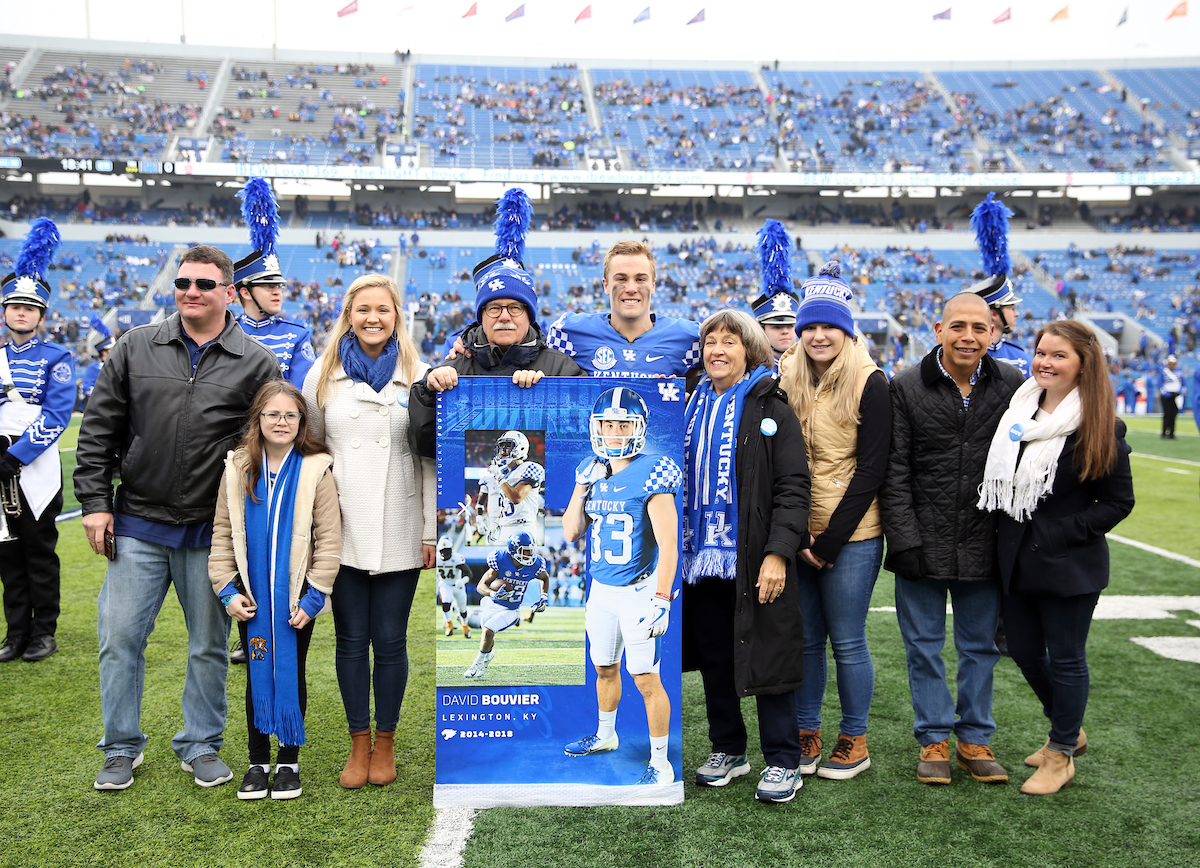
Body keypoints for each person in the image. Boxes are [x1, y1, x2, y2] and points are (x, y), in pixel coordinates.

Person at [75, 244, 281, 792]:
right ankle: (120, 746)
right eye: (183, 282)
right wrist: (96, 504)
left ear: (229, 291)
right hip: (138, 520)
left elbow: (264, 447)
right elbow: (99, 431)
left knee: (209, 645)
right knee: (120, 638)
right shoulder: (135, 347)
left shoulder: (257, 361)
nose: (191, 291)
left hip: (209, 532)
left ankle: (200, 743)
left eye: (204, 284)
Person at [978, 320, 1134, 795]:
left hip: (1067, 564)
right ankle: (1068, 727)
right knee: (1023, 652)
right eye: (1042, 352)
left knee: (1066, 660)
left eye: (1058, 355)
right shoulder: (1018, 407)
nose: (1045, 362)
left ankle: (1061, 751)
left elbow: (1117, 502)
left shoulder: (1099, 423)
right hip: (1016, 561)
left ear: (1083, 364)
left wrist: (1062, 533)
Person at [880, 291, 1024, 787]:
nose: (968, 336)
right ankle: (934, 738)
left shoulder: (1012, 384)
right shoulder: (905, 386)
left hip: (985, 541)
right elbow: (893, 470)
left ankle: (975, 739)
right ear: (938, 330)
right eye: (958, 326)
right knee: (923, 647)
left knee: (979, 647)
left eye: (979, 328)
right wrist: (904, 540)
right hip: (921, 538)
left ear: (993, 333)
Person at [302, 272, 435, 790]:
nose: (373, 318)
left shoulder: (421, 372)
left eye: (383, 309)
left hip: (401, 522)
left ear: (397, 315)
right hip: (342, 526)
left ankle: (387, 741)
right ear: (348, 316)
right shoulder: (322, 372)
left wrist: (429, 529)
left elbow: (430, 456)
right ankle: (359, 740)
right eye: (363, 310)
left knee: (392, 641)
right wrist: (313, 526)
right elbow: (309, 449)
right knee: (351, 640)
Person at [682, 310, 810, 804]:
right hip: (701, 555)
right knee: (716, 654)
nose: (718, 350)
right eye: (710, 341)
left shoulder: (769, 406)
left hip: (754, 554)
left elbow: (794, 486)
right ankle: (729, 748)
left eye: (729, 342)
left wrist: (778, 554)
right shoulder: (690, 403)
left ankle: (783, 760)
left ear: (750, 351)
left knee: (770, 652)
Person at [777, 260, 890, 780]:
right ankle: (807, 730)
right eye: (810, 327)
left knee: (847, 640)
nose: (820, 335)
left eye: (831, 326)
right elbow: (783, 460)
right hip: (800, 528)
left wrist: (827, 542)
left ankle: (854, 737)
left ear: (847, 331)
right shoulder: (785, 377)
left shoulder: (872, 381)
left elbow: (871, 470)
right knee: (804, 639)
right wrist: (799, 533)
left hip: (855, 533)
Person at [209, 381, 341, 801]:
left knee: (291, 671)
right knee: (255, 672)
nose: (280, 422)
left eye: (290, 415)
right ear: (258, 420)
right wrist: (227, 590)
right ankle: (256, 760)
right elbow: (222, 535)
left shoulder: (315, 468)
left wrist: (315, 595)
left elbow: (330, 540)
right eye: (272, 414)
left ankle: (288, 761)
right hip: (251, 598)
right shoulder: (237, 468)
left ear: (302, 421)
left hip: (295, 598)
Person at [560, 386, 682, 785]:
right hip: (601, 590)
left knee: (646, 679)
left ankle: (661, 764)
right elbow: (572, 531)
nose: (614, 431)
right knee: (604, 668)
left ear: (638, 427)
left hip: (639, 590)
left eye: (623, 423)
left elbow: (668, 544)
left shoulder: (654, 470)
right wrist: (581, 487)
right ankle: (606, 735)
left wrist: (662, 598)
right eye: (607, 424)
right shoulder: (591, 469)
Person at [408, 255, 586, 458]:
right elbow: (424, 446)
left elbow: (580, 443)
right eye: (494, 308)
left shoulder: (561, 369)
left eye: (515, 308)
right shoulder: (453, 368)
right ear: (481, 317)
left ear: (529, 315)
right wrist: (430, 393)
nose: (504, 316)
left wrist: (547, 395)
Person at [0, 218, 74, 664]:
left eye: (30, 308)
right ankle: (15, 633)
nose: (22, 313)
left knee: (38, 549)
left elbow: (57, 414)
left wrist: (15, 454)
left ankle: (44, 630)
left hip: (35, 469)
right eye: (14, 307)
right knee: (6, 552)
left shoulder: (57, 358)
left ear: (42, 316)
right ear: (4, 312)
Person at [545, 240, 700, 377]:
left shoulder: (688, 337)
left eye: (640, 279)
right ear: (606, 285)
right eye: (621, 279)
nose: (631, 288)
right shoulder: (569, 333)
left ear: (653, 285)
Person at [233, 178, 316, 389]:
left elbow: (302, 394)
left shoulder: (296, 335)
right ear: (245, 292)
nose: (277, 292)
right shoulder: (224, 332)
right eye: (268, 286)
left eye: (278, 286)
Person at [463, 531, 550, 679]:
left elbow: (545, 578)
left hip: (512, 609)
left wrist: (544, 597)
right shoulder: (501, 559)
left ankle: (477, 663)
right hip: (493, 603)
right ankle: (488, 656)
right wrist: (492, 593)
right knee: (488, 636)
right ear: (514, 550)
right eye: (525, 551)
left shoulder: (535, 564)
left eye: (531, 550)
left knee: (488, 630)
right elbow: (480, 586)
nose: (529, 555)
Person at [475, 430, 545, 545]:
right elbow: (507, 505)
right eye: (501, 447)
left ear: (521, 448)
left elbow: (516, 498)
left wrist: (498, 477)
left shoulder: (530, 467)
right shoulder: (505, 473)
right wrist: (496, 522)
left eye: (508, 446)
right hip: (505, 525)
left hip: (522, 526)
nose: (503, 450)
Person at [750, 219, 800, 372]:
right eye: (776, 326)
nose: (785, 331)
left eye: (790, 326)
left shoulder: (813, 368)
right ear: (761, 331)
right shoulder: (750, 373)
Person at [436, 535, 471, 638]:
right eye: (443, 550)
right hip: (445, 584)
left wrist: (463, 580)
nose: (445, 553)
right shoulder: (436, 559)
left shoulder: (457, 558)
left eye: (447, 550)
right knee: (446, 602)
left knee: (462, 610)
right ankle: (448, 624)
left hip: (457, 586)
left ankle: (465, 626)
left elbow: (469, 573)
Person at [81, 316, 114, 402]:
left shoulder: (118, 366)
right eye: (111, 350)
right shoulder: (94, 368)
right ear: (104, 352)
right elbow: (87, 388)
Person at [1159, 355, 1182, 439]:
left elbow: (1182, 384)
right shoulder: (1164, 371)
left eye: (1173, 363)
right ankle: (1164, 432)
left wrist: (1180, 391)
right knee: (1167, 414)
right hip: (1166, 396)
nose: (1172, 365)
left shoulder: (1179, 372)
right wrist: (1165, 392)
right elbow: (1160, 384)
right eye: (1170, 363)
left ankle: (1172, 433)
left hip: (1175, 395)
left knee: (1174, 415)